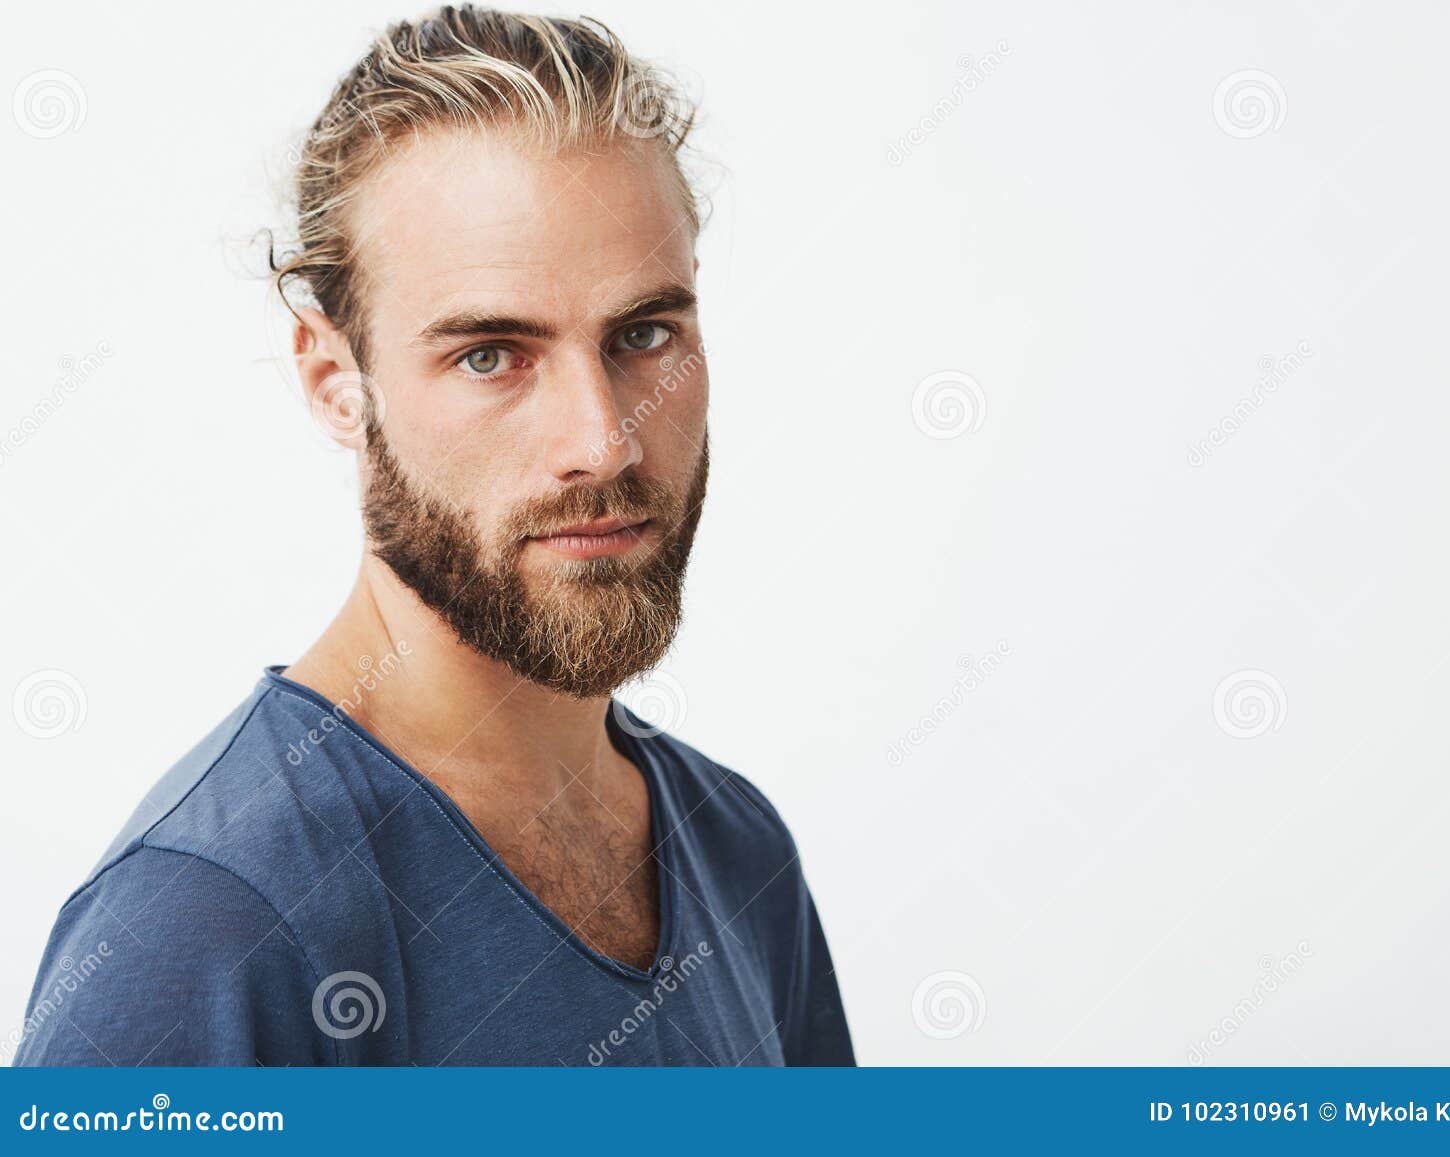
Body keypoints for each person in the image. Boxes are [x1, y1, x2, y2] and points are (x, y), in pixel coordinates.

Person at [13, 5, 853, 1066]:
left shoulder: (739, 851)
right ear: (335, 383)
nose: (602, 440)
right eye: (491, 355)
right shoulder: (203, 928)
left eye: (643, 335)